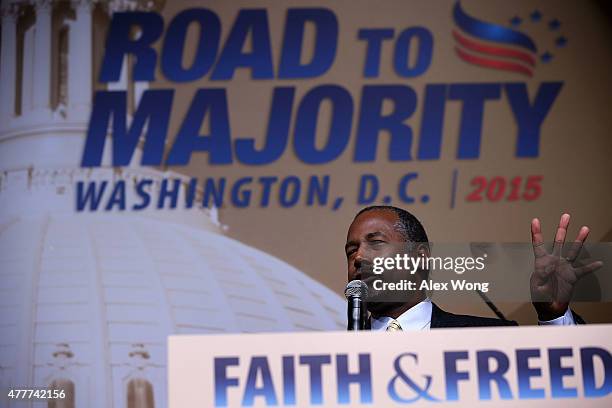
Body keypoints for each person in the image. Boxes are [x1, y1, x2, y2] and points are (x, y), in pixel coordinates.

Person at [344, 205, 604, 330]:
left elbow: (561, 390)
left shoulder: (493, 337)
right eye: (351, 250)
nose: (359, 257)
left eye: (376, 242)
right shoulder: (329, 355)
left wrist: (553, 317)